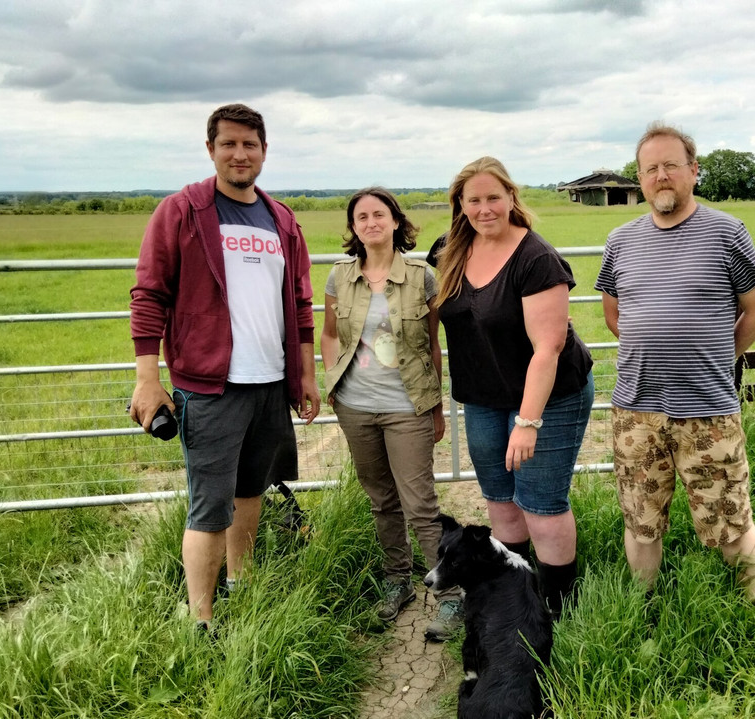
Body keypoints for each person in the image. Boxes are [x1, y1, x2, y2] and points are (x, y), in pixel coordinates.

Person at [129, 103, 320, 634]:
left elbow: (300, 304)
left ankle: (243, 584)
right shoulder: (183, 211)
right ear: (210, 148)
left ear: (264, 151)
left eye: (250, 144)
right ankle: (202, 620)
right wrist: (148, 378)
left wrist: (304, 374)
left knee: (251, 491)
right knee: (209, 505)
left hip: (269, 384)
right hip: (210, 387)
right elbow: (149, 295)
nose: (240, 153)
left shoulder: (281, 219)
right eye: (229, 143)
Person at [595, 122, 755, 606]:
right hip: (636, 410)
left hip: (708, 413)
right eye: (650, 168)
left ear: (693, 171)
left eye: (671, 165)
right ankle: (644, 611)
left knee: (731, 522)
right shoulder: (620, 241)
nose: (661, 176)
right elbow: (615, 313)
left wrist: (716, 356)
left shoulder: (727, 232)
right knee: (642, 521)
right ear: (640, 179)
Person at [434, 157, 594, 619]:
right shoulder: (448, 251)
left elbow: (549, 347)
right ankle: (513, 598)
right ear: (460, 206)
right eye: (474, 200)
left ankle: (557, 610)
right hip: (483, 396)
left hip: (549, 396)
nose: (485, 209)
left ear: (511, 199)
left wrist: (527, 423)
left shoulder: (536, 258)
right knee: (501, 503)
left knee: (541, 504)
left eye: (493, 198)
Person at [320, 187, 463, 642]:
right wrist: (333, 380)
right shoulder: (338, 277)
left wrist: (436, 407)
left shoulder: (423, 277)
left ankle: (451, 595)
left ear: (396, 223)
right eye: (361, 216)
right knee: (381, 499)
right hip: (356, 407)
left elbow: (432, 345)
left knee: (420, 504)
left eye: (379, 214)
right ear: (354, 227)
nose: (370, 222)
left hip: (408, 407)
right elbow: (328, 335)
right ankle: (396, 578)